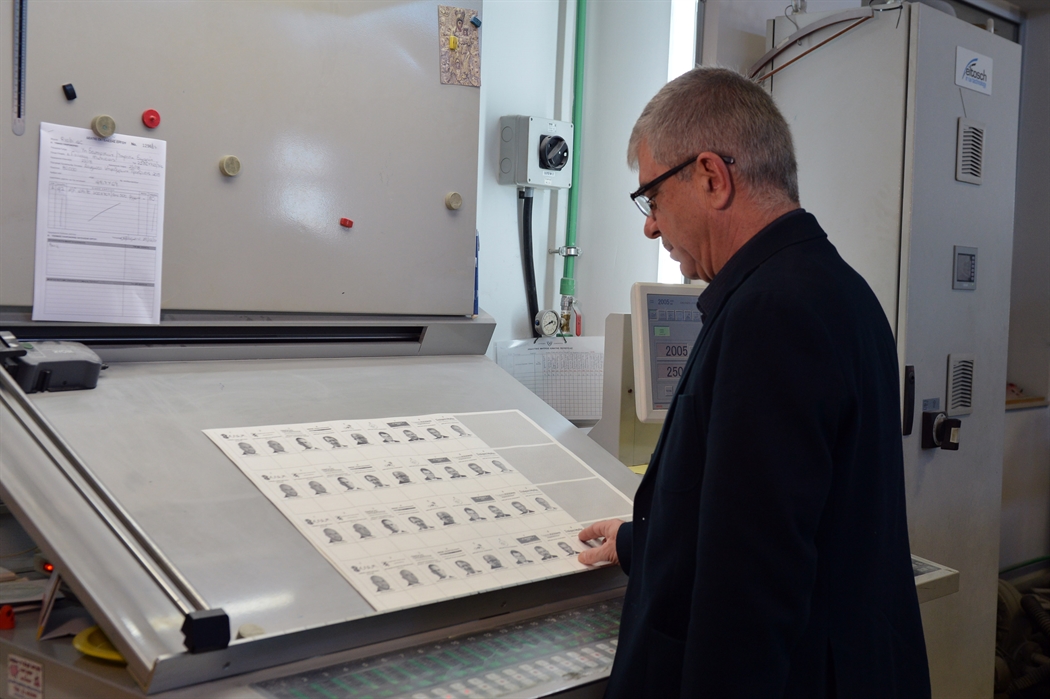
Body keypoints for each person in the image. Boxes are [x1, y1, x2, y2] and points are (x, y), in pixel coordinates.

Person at [576, 67, 929, 698]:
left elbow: (751, 588)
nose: (651, 226)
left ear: (711, 177)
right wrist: (638, 542)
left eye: (652, 198)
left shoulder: (771, 314)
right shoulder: (833, 286)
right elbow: (756, 516)